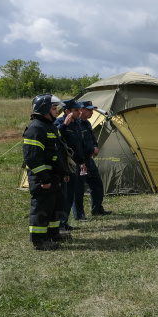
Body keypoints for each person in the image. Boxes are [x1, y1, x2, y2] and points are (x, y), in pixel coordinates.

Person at [23, 94, 70, 250]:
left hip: (54, 177)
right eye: (54, 108)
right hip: (43, 178)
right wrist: (44, 179)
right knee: (42, 208)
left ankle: (53, 234)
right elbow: (32, 158)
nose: (57, 111)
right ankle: (39, 240)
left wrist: (63, 172)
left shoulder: (49, 125)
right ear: (44, 109)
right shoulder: (36, 128)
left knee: (56, 206)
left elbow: (58, 151)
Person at [74, 100, 111, 218]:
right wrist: (91, 149)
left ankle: (97, 209)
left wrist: (95, 147)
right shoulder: (76, 124)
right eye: (89, 109)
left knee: (97, 185)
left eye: (92, 109)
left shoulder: (88, 123)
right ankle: (79, 215)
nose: (92, 112)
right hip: (79, 161)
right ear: (81, 110)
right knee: (78, 189)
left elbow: (92, 138)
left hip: (89, 160)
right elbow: (78, 143)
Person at [54, 99, 87, 231]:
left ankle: (64, 222)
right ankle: (60, 224)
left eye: (79, 109)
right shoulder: (60, 123)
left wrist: (82, 161)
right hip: (66, 165)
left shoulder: (77, 124)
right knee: (65, 195)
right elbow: (54, 138)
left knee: (71, 194)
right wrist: (64, 126)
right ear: (67, 111)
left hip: (75, 165)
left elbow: (78, 145)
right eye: (75, 110)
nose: (79, 112)